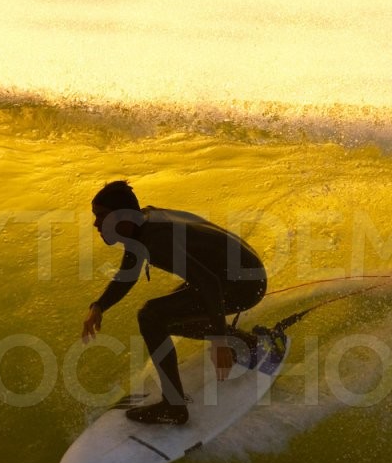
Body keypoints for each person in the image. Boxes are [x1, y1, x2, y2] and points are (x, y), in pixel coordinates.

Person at [81, 180, 268, 425]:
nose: (96, 224)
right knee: (167, 315)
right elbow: (128, 274)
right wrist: (99, 306)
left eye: (101, 216)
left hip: (243, 285)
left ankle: (174, 406)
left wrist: (219, 340)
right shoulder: (141, 223)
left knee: (151, 316)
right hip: (234, 272)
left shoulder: (158, 240)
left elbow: (210, 285)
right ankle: (245, 341)